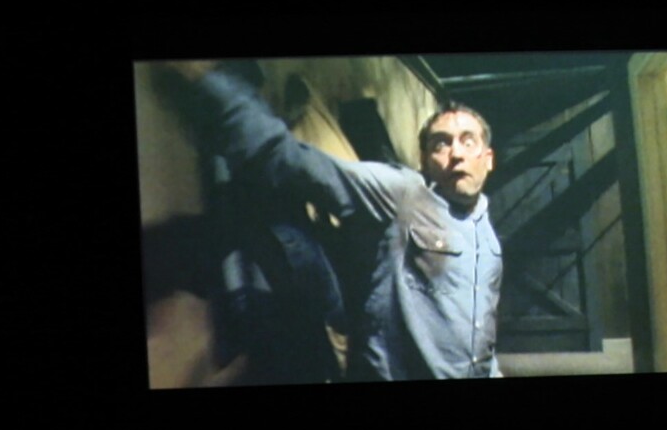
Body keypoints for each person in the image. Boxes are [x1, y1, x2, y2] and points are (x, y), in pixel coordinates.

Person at [161, 60, 505, 381]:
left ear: (487, 159)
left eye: (467, 141)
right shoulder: (401, 194)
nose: (456, 154)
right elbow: (292, 161)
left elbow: (480, 334)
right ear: (425, 159)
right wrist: (212, 83)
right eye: (440, 144)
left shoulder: (488, 237)